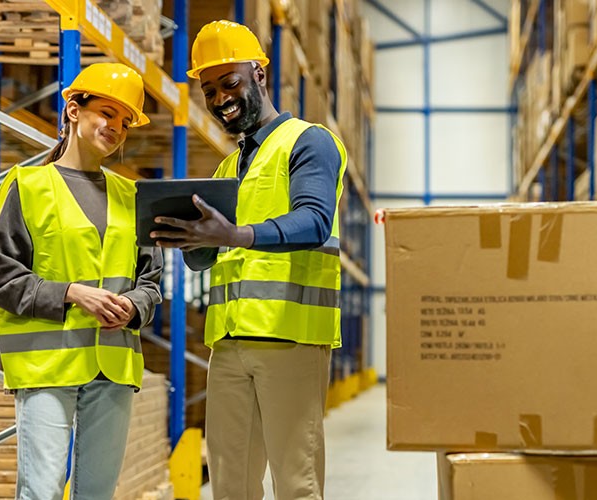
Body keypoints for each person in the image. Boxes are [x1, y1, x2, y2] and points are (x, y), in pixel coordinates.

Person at [150, 20, 346, 500]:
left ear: (259, 74)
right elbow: (213, 259)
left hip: (290, 340)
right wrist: (188, 239)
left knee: (295, 483)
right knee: (231, 485)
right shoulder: (228, 167)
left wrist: (233, 233)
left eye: (230, 82)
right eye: (209, 89)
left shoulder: (308, 141)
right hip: (229, 346)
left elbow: (314, 221)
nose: (220, 99)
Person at [0, 62, 163, 500]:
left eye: (125, 121)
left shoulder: (132, 196)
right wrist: (70, 293)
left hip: (114, 364)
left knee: (97, 493)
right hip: (47, 366)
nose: (115, 127)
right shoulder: (29, 186)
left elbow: (151, 281)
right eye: (106, 112)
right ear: (73, 110)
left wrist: (135, 306)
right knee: (41, 490)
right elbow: (2, 277)